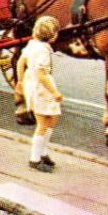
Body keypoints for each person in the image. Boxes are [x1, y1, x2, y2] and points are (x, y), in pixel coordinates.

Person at [21, 15, 65, 172]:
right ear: (53, 36)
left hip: (36, 86)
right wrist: (55, 92)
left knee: (52, 119)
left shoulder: (32, 45)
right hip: (42, 89)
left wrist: (20, 82)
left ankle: (43, 151)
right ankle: (34, 158)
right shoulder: (43, 52)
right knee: (43, 124)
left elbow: (21, 62)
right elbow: (41, 74)